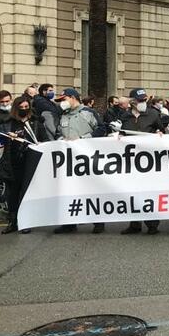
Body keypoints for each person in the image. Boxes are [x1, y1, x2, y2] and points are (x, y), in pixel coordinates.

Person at [53, 88, 103, 234]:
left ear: (73, 98)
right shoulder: (63, 116)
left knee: (92, 190)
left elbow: (101, 129)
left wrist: (82, 140)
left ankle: (98, 221)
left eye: (64, 99)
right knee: (69, 190)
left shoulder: (88, 112)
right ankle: (69, 223)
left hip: (88, 158)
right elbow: (57, 133)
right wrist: (62, 140)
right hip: (69, 161)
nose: (62, 103)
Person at [120, 88, 164, 235]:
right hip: (132, 160)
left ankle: (152, 224)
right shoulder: (125, 116)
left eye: (144, 100)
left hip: (149, 161)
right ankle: (134, 224)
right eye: (140, 100)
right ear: (132, 102)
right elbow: (123, 133)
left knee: (149, 191)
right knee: (132, 191)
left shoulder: (153, 114)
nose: (143, 102)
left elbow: (162, 130)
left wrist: (160, 133)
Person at [0, 97, 37, 234]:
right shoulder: (8, 122)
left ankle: (25, 222)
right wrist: (6, 135)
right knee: (12, 195)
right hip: (12, 164)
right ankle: (12, 222)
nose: (24, 109)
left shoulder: (35, 122)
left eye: (27, 107)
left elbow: (46, 138)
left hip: (30, 163)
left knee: (25, 194)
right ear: (16, 108)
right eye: (22, 107)